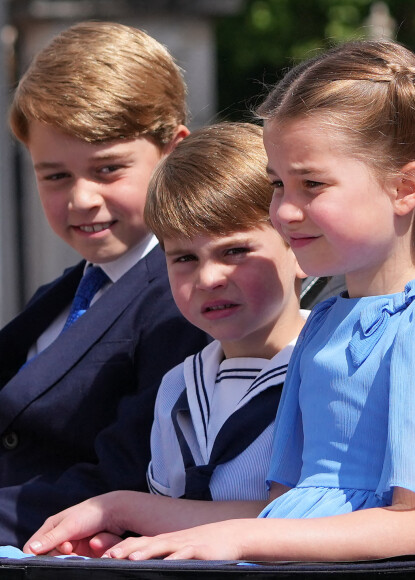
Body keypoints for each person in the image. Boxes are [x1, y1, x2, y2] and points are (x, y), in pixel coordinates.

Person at [28, 39, 415, 562]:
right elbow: (281, 511)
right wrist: (123, 512)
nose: (284, 211)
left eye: (311, 184)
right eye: (278, 185)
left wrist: (237, 540)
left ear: (405, 188)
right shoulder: (329, 319)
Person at [0, 21, 209, 550]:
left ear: (173, 154)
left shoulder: (189, 297)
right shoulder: (66, 294)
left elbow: (132, 471)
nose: (82, 198)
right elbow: (19, 473)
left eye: (108, 170)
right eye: (55, 175)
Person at [22, 122, 308, 558]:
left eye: (235, 251)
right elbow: (175, 518)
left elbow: (314, 521)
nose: (209, 278)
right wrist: (130, 542)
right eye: (184, 259)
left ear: (299, 248)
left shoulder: (333, 367)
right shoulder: (178, 387)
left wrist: (125, 510)